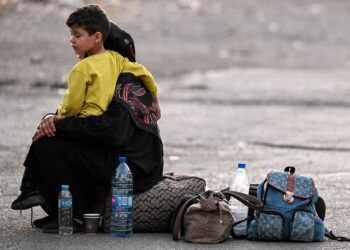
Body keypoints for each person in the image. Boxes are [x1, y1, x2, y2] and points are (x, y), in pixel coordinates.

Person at [11, 8, 164, 233]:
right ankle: (53, 204)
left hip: (134, 169)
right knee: (55, 135)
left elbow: (107, 131)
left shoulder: (116, 82)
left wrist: (56, 123)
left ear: (99, 39)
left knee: (48, 145)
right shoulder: (127, 71)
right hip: (138, 161)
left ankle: (71, 215)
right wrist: (53, 120)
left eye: (78, 35)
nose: (73, 41)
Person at [57, 5, 160, 119]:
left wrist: (55, 116)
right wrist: (155, 101)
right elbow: (144, 73)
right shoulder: (117, 59)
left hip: (87, 122)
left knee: (46, 132)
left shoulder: (80, 69)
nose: (71, 39)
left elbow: (72, 108)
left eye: (77, 35)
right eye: (71, 34)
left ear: (97, 37)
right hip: (110, 120)